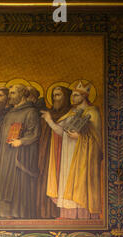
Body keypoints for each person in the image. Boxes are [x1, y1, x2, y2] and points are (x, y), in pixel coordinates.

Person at [42, 81, 102, 219]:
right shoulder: (71, 113)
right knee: (66, 181)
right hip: (67, 154)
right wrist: (50, 120)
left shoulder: (93, 113)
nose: (72, 98)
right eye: (72, 95)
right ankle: (68, 215)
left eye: (76, 95)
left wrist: (79, 137)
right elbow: (60, 131)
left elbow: (98, 139)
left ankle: (82, 216)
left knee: (80, 184)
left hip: (83, 155)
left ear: (84, 96)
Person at [0, 84, 40, 219]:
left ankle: (17, 214)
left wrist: (21, 141)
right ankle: (3, 214)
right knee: (3, 181)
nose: (9, 96)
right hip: (5, 154)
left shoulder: (30, 112)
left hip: (18, 155)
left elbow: (34, 134)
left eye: (12, 93)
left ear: (22, 95)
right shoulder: (11, 112)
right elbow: (2, 133)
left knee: (16, 183)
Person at [36, 85, 71, 219]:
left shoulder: (70, 113)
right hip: (47, 152)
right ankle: (46, 213)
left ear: (65, 97)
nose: (55, 98)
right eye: (54, 95)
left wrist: (49, 120)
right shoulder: (50, 112)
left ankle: (58, 213)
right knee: (45, 180)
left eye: (58, 95)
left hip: (62, 154)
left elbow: (66, 133)